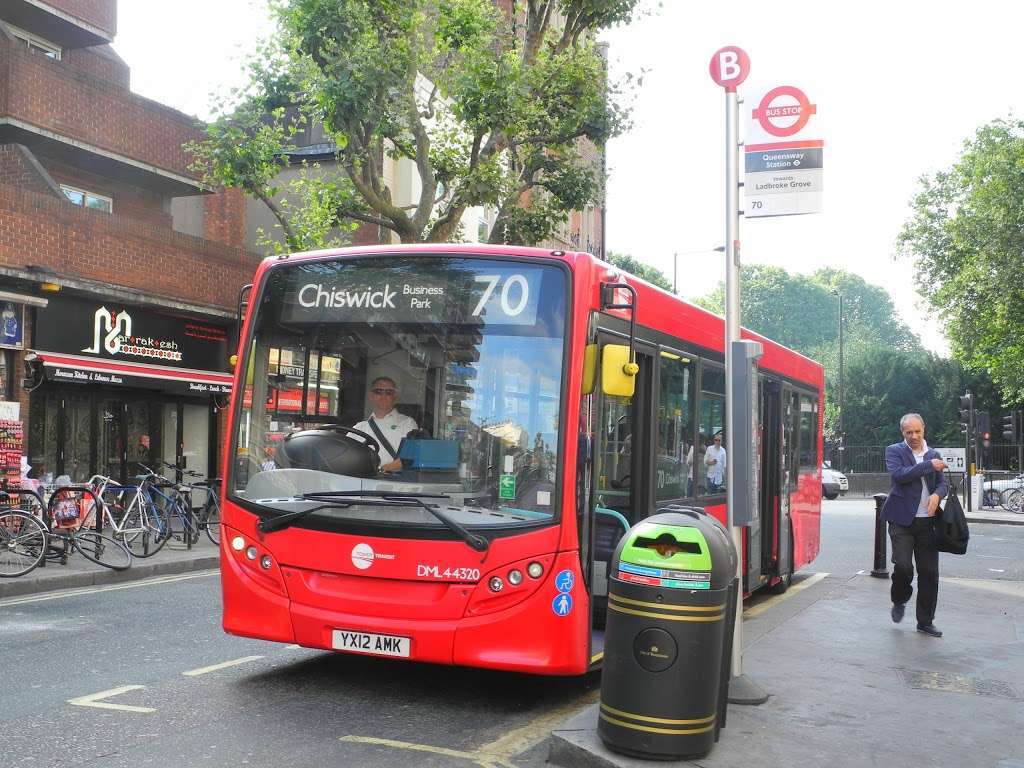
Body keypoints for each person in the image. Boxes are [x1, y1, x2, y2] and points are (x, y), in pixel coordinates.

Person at [881, 413, 948, 638]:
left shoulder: (933, 454)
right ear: (903, 433)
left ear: (924, 430)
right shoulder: (894, 451)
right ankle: (899, 599)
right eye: (909, 432)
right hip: (901, 520)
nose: (914, 436)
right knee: (903, 566)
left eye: (917, 431)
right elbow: (900, 475)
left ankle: (925, 621)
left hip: (927, 523)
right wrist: (929, 465)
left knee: (929, 572)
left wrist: (938, 496)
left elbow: (942, 483)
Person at [352, 376, 417, 472]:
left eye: (389, 392)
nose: (383, 396)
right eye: (378, 391)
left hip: (398, 484)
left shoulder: (407, 423)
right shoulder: (359, 428)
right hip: (364, 482)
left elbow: (410, 457)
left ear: (394, 396)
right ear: (371, 396)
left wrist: (380, 470)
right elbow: (347, 458)